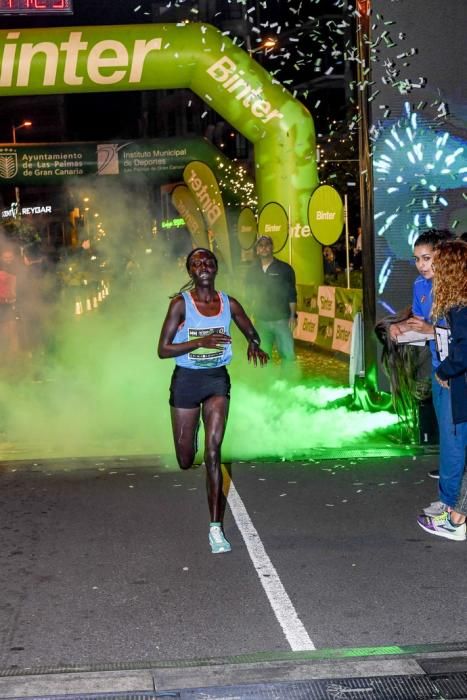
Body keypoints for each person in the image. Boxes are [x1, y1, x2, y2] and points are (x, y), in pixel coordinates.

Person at [158, 248, 268, 554]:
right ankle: (189, 432)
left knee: (213, 451)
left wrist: (255, 345)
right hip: (186, 381)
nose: (203, 266)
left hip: (217, 379)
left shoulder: (228, 303)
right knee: (185, 459)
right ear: (190, 271)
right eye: (197, 263)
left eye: (208, 262)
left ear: (216, 268)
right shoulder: (181, 304)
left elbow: (250, 330)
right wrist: (200, 342)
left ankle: (215, 528)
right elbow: (163, 349)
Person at [389, 229, 463, 507]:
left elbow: (458, 334)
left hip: (456, 372)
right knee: (449, 439)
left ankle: (451, 505)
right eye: (417, 259)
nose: (421, 265)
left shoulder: (456, 287)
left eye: (427, 258)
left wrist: (431, 330)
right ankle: (451, 502)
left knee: (454, 440)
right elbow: (419, 325)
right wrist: (400, 326)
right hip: (439, 370)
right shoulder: (420, 286)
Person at [417, 239, 467, 541]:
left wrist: (444, 370)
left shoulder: (460, 306)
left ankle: (455, 518)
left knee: (457, 447)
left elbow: (462, 351)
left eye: (435, 261)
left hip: (459, 381)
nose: (430, 266)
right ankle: (455, 514)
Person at [245, 235, 297, 367]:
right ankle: (266, 382)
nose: (264, 248)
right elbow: (249, 296)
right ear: (257, 250)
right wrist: (248, 316)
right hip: (261, 320)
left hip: (282, 320)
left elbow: (291, 293)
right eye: (261, 246)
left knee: (288, 355)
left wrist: (292, 316)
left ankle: (289, 381)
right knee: (263, 354)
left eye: (267, 244)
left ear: (272, 248)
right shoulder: (251, 271)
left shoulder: (285, 269)